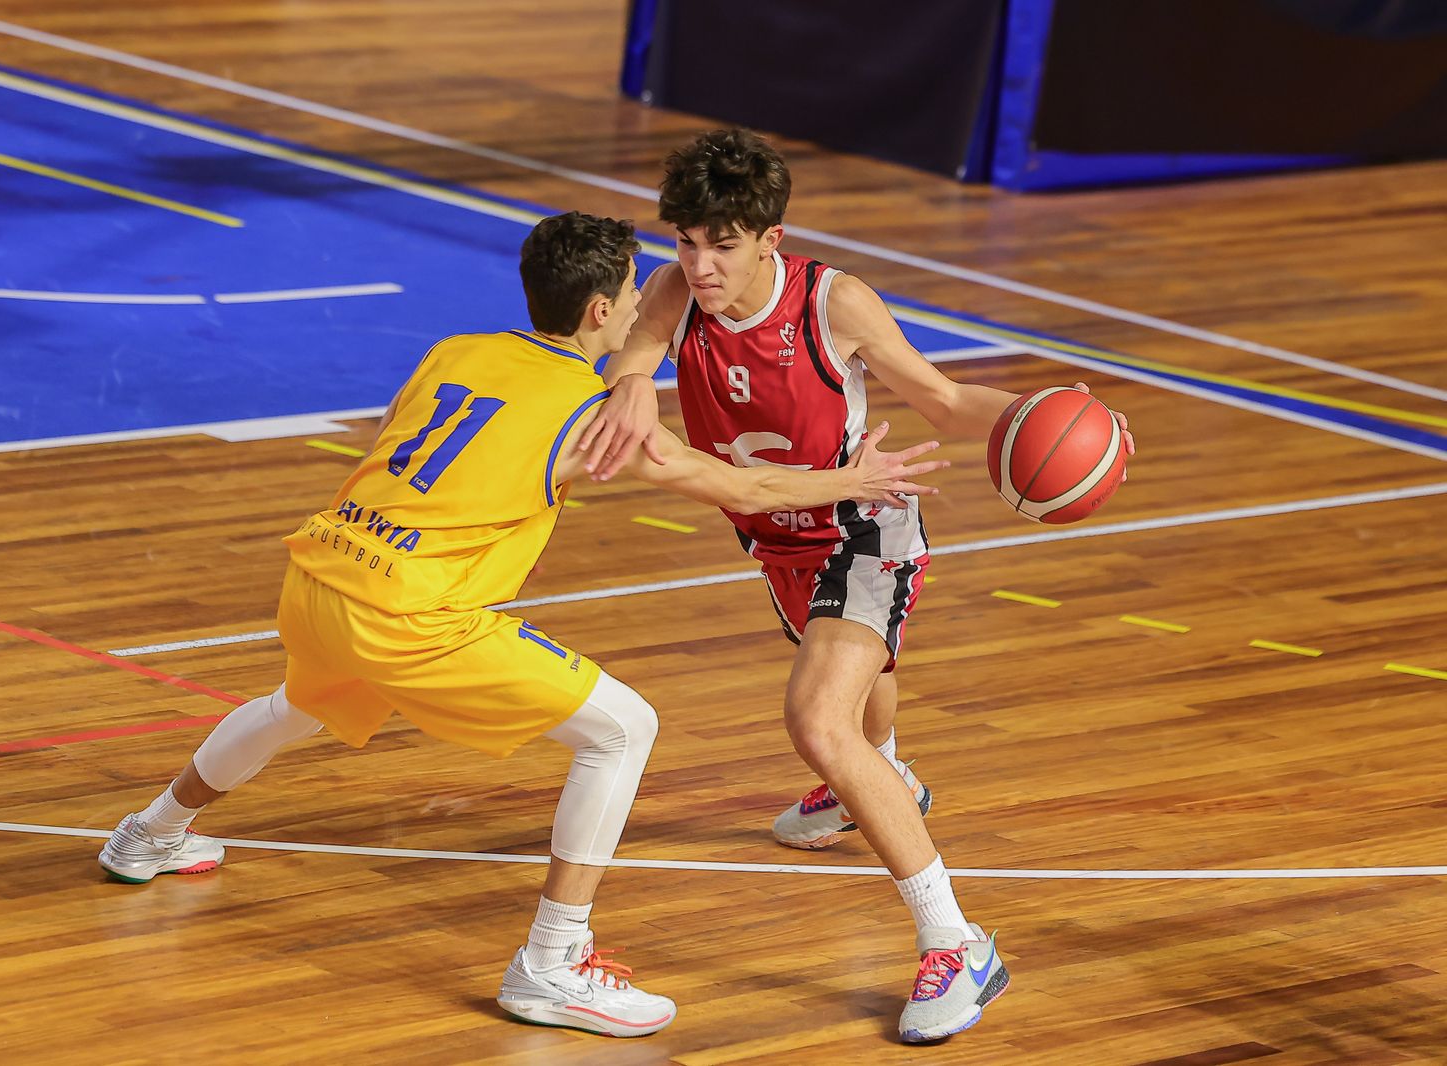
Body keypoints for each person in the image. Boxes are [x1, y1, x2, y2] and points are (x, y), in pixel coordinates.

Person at [96, 210, 948, 1039]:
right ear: (601, 312)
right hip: (411, 612)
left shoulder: (458, 350)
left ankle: (149, 833)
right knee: (623, 730)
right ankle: (552, 963)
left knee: (297, 705)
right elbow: (743, 487)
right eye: (632, 288)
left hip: (321, 569)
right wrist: (851, 481)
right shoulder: (592, 414)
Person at [579, 129, 1135, 1043]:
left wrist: (1076, 424)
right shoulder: (679, 294)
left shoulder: (833, 304)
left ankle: (956, 941)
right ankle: (874, 782)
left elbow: (947, 400)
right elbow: (633, 352)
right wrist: (635, 379)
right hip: (774, 534)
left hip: (866, 523)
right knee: (853, 701)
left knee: (817, 721)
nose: (700, 264)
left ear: (771, 237)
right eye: (686, 242)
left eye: (722, 244)